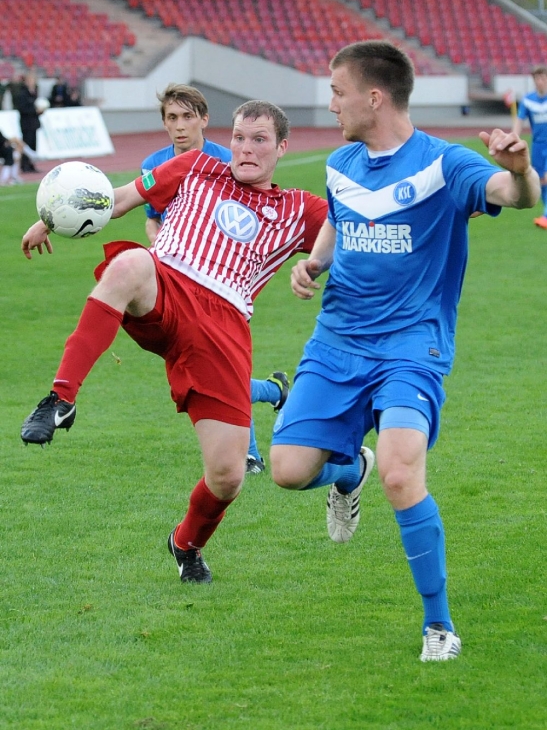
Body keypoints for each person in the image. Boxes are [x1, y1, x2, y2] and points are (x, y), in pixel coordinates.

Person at [269, 40, 539, 662]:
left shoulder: (445, 164)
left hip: (412, 346)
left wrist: (523, 170)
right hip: (338, 340)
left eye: (337, 92)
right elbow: (340, 217)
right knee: (288, 471)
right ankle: (349, 470)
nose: (330, 105)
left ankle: (439, 627)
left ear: (374, 97)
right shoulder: (341, 162)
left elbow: (514, 194)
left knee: (400, 472)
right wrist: (315, 263)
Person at [20, 99, 328, 586]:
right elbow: (120, 197)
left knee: (228, 476)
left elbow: (353, 231)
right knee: (129, 263)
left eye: (259, 140)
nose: (246, 149)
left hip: (224, 327)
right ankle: (60, 398)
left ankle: (186, 544)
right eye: (240, 138)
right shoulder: (194, 165)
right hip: (166, 283)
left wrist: (313, 265)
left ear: (282, 147)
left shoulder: (300, 209)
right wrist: (53, 216)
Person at [142, 83, 290, 474]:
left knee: (225, 370)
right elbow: (152, 217)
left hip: (224, 282)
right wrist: (161, 246)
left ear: (204, 120)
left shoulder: (228, 160)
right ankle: (274, 390)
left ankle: (249, 453)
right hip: (176, 282)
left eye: (187, 117)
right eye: (172, 118)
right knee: (199, 373)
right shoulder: (153, 163)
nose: (180, 126)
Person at [513, 64, 547, 228]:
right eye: (536, 78)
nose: (539, 81)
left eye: (543, 78)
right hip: (537, 146)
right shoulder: (528, 100)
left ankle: (545, 216)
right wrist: (513, 140)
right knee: (541, 181)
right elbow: (519, 121)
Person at [12, 70, 41, 173]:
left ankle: (31, 164)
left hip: (34, 123)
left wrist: (40, 111)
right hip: (26, 123)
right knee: (26, 144)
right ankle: (24, 165)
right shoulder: (22, 93)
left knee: (33, 144)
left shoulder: (34, 92)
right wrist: (35, 110)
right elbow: (22, 108)